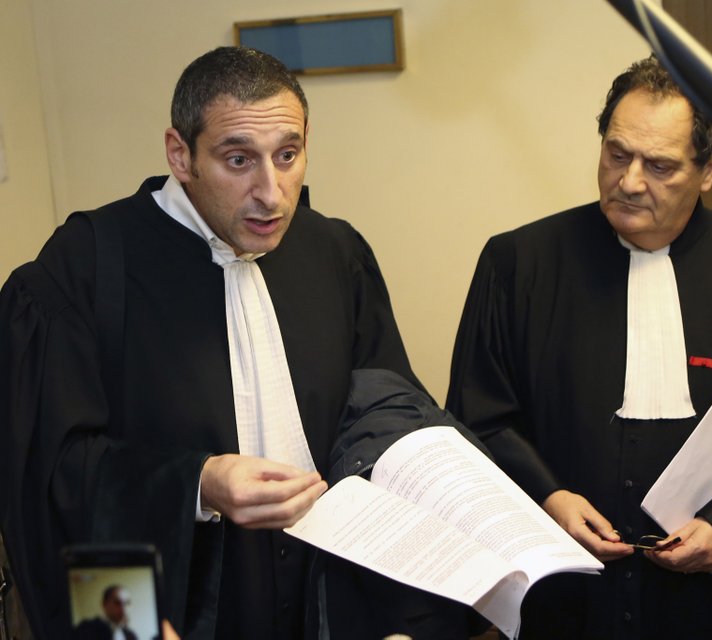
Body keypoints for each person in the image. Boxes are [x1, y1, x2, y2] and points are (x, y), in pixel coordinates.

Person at [0, 46, 471, 639]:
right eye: (238, 159)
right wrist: (199, 482)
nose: (271, 194)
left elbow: (386, 416)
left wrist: (405, 616)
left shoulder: (334, 253)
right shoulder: (85, 269)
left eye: (288, 155)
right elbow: (54, 477)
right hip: (178, 604)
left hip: (324, 596)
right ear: (181, 154)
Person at [446, 54, 712, 639]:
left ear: (708, 169)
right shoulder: (519, 264)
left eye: (660, 166)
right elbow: (479, 417)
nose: (630, 182)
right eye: (616, 154)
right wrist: (549, 496)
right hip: (564, 593)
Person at [73, 585, 138, 640]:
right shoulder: (85, 629)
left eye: (127, 603)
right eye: (117, 603)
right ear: (104, 604)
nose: (124, 609)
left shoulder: (131, 635)